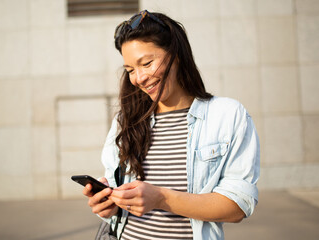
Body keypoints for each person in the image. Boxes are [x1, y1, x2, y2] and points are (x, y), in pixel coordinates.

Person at [82, 10, 260, 240]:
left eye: (146, 63)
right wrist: (110, 205)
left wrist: (160, 198)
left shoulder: (227, 115)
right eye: (130, 70)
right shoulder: (126, 122)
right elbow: (120, 202)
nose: (139, 77)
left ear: (176, 55)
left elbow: (238, 206)